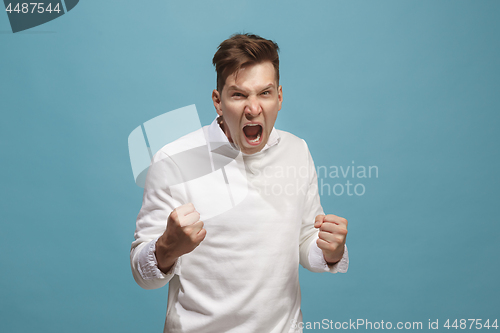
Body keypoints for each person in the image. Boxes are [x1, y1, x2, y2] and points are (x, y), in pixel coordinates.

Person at [130, 33, 349, 333]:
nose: (253, 108)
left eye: (264, 93)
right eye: (239, 95)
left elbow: (304, 241)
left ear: (280, 97)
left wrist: (329, 251)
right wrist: (167, 247)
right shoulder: (174, 159)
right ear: (218, 102)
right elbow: (143, 276)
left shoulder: (297, 150)